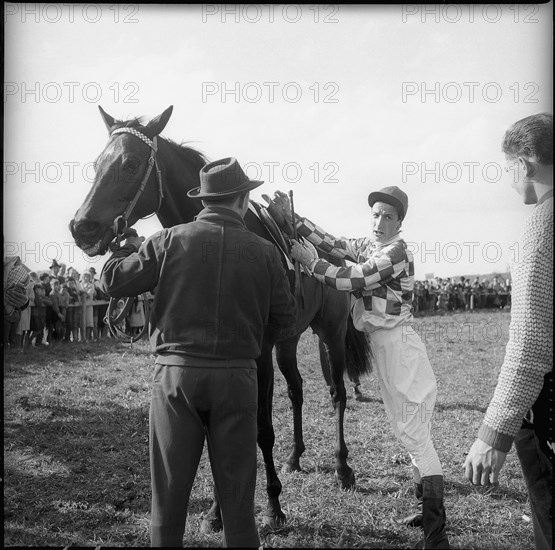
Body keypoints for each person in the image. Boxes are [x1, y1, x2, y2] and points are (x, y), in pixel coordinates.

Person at [100, 157, 297, 547]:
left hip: (176, 378)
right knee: (239, 503)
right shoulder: (266, 252)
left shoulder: (167, 240)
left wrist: (122, 250)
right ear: (242, 199)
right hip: (238, 377)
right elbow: (285, 318)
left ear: (204, 200)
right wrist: (250, 344)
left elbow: (113, 282)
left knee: (169, 499)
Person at [265, 185, 449, 549]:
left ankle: (436, 534)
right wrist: (296, 221)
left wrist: (308, 261)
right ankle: (422, 507)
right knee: (406, 429)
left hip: (399, 345)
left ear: (400, 222)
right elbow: (334, 242)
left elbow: (353, 279)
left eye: (388, 216)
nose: (379, 221)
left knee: (415, 434)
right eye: (376, 214)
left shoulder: (396, 252)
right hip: (386, 345)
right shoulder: (372, 245)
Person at [464, 113, 553, 550]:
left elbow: (531, 345)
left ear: (525, 164)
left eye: (508, 169)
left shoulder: (541, 230)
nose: (508, 181)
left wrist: (493, 432)